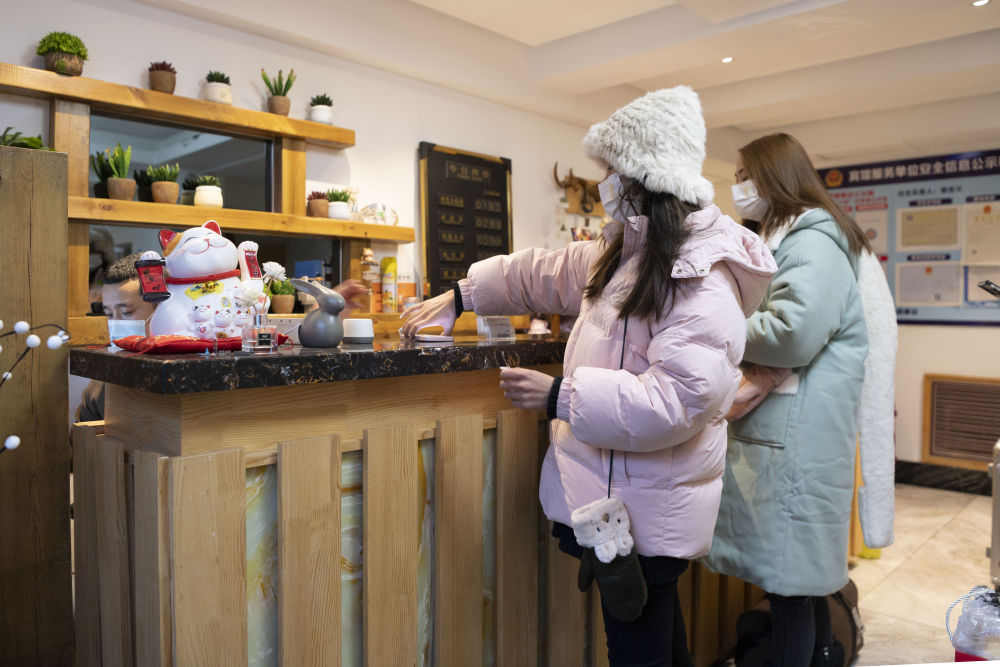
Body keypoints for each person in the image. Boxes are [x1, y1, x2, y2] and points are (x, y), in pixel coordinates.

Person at [401, 86, 776, 666]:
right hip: (625, 502)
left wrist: (560, 396)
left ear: (645, 176)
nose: (603, 184)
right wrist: (462, 294)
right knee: (655, 634)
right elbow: (542, 272)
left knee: (637, 645)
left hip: (648, 506)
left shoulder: (702, 277)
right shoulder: (629, 252)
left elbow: (679, 400)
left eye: (611, 171)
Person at [705, 132, 896, 666]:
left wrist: (716, 324)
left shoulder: (812, 242)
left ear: (775, 176)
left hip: (800, 440)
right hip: (796, 434)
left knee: (791, 587)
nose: (737, 186)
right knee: (800, 585)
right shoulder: (793, 238)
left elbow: (792, 332)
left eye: (744, 175)